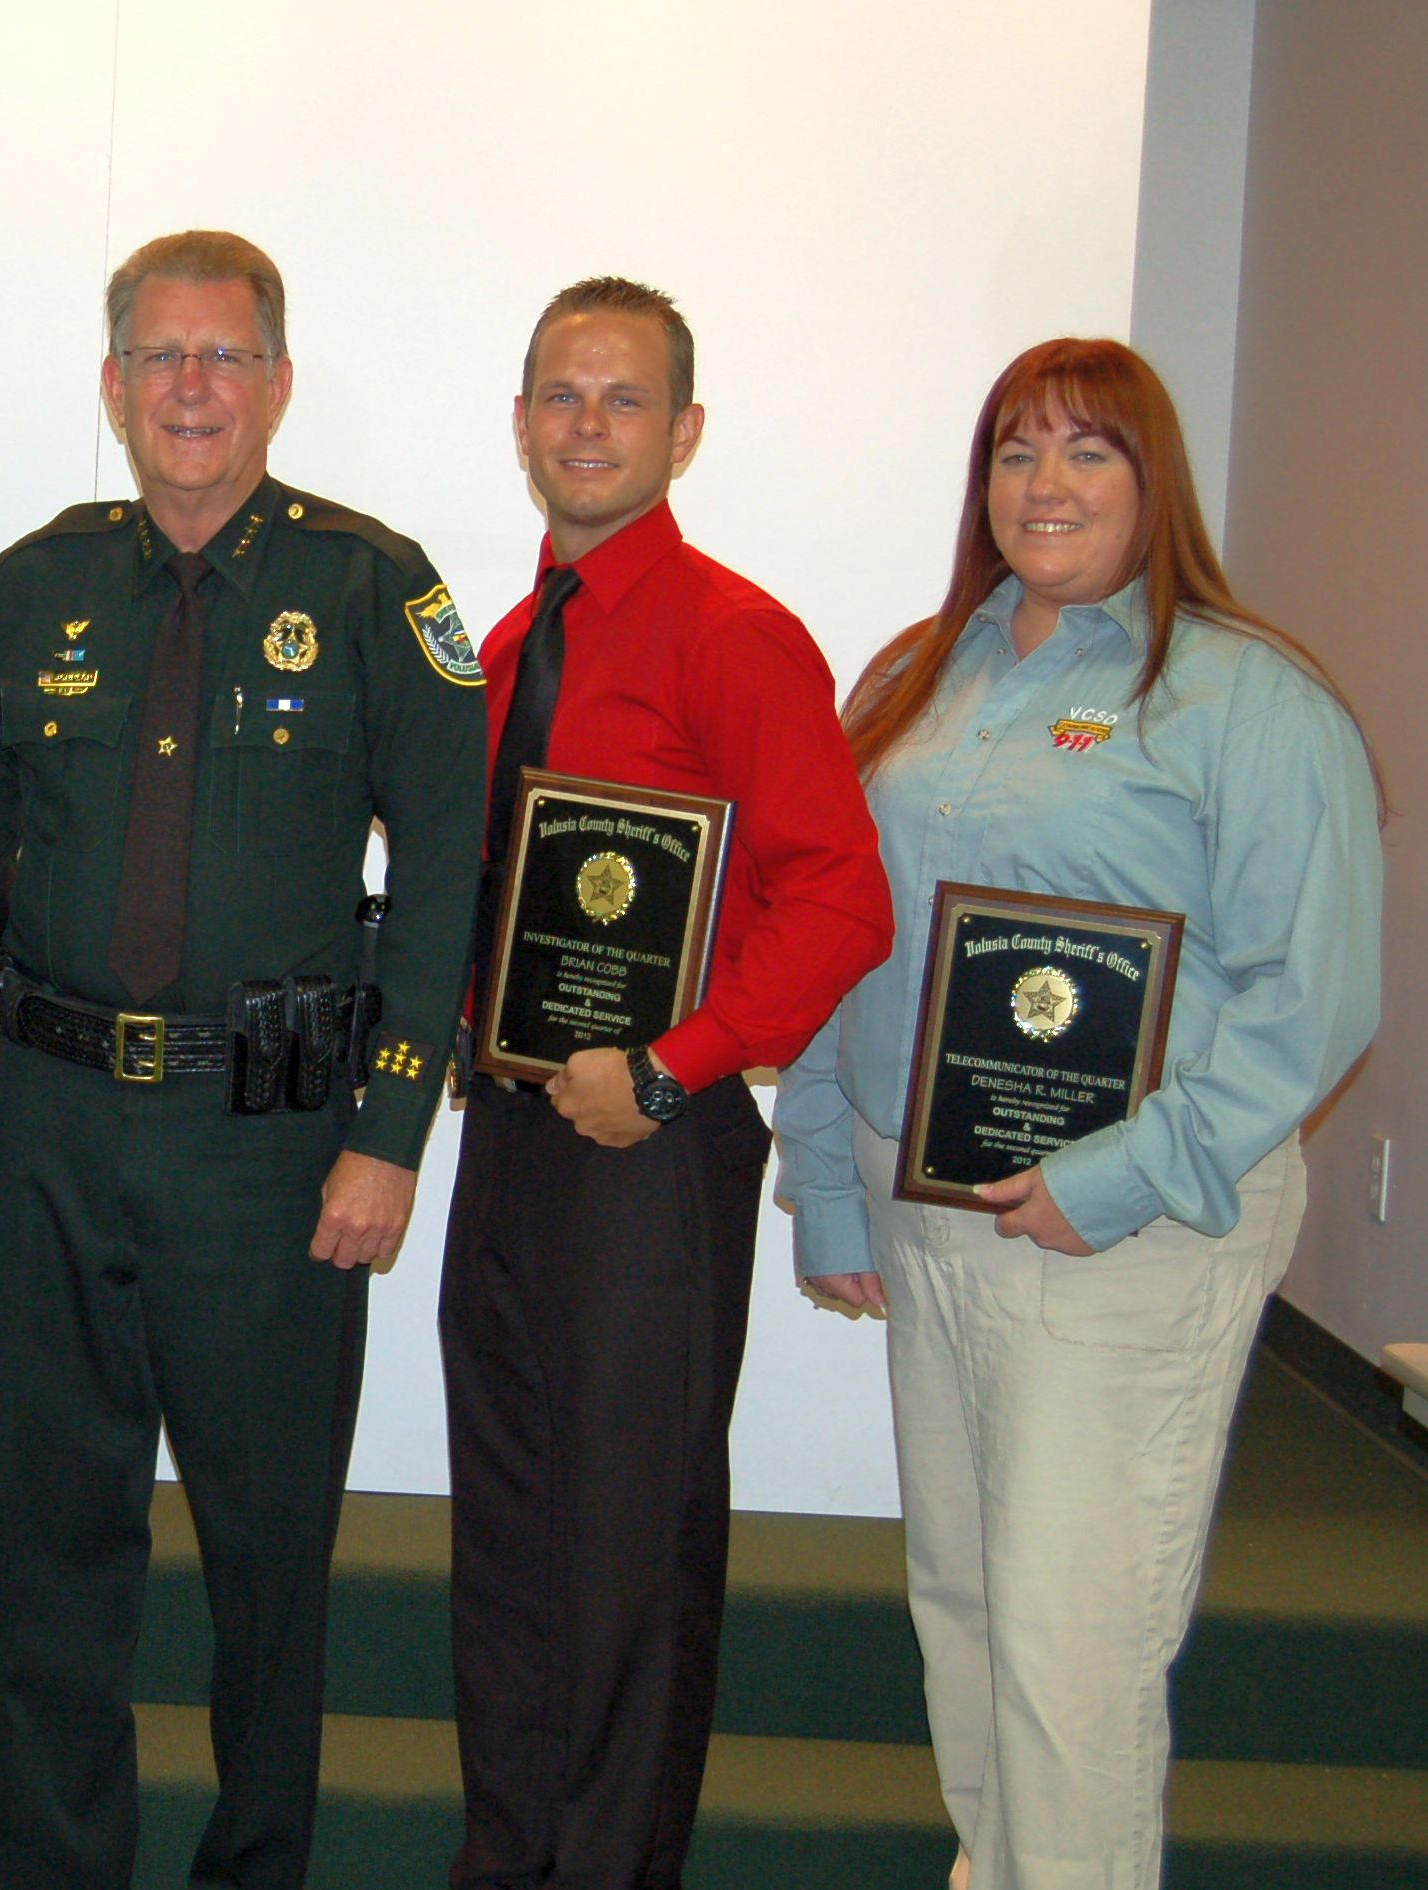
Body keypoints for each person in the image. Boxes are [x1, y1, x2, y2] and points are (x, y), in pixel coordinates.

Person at [0, 229, 483, 1890]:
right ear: (109, 385)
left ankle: (254, 1867)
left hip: (274, 1150)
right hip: (60, 1127)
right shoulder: (31, 586)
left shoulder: (375, 589)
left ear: (279, 386)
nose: (190, 390)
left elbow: (446, 876)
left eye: (224, 358)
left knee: (266, 1560)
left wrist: (389, 1134)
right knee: (58, 1547)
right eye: (159, 357)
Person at [774, 338, 1382, 1890]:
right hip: (928, 1213)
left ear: (1150, 478)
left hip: (1133, 1235)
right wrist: (829, 1187)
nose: (1043, 485)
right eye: (1014, 451)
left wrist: (1111, 1179)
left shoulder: (1242, 698)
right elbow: (846, 933)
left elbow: (1305, 999)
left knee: (1070, 1641)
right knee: (965, 1601)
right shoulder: (918, 670)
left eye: (1085, 452)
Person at [437, 278, 894, 1890]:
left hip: (647, 1152)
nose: (584, 425)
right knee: (503, 1541)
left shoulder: (735, 635)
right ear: (516, 423)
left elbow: (841, 898)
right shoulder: (502, 644)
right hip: (504, 1138)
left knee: (625, 1563)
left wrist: (674, 1064)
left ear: (683, 432)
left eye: (621, 399)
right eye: (558, 394)